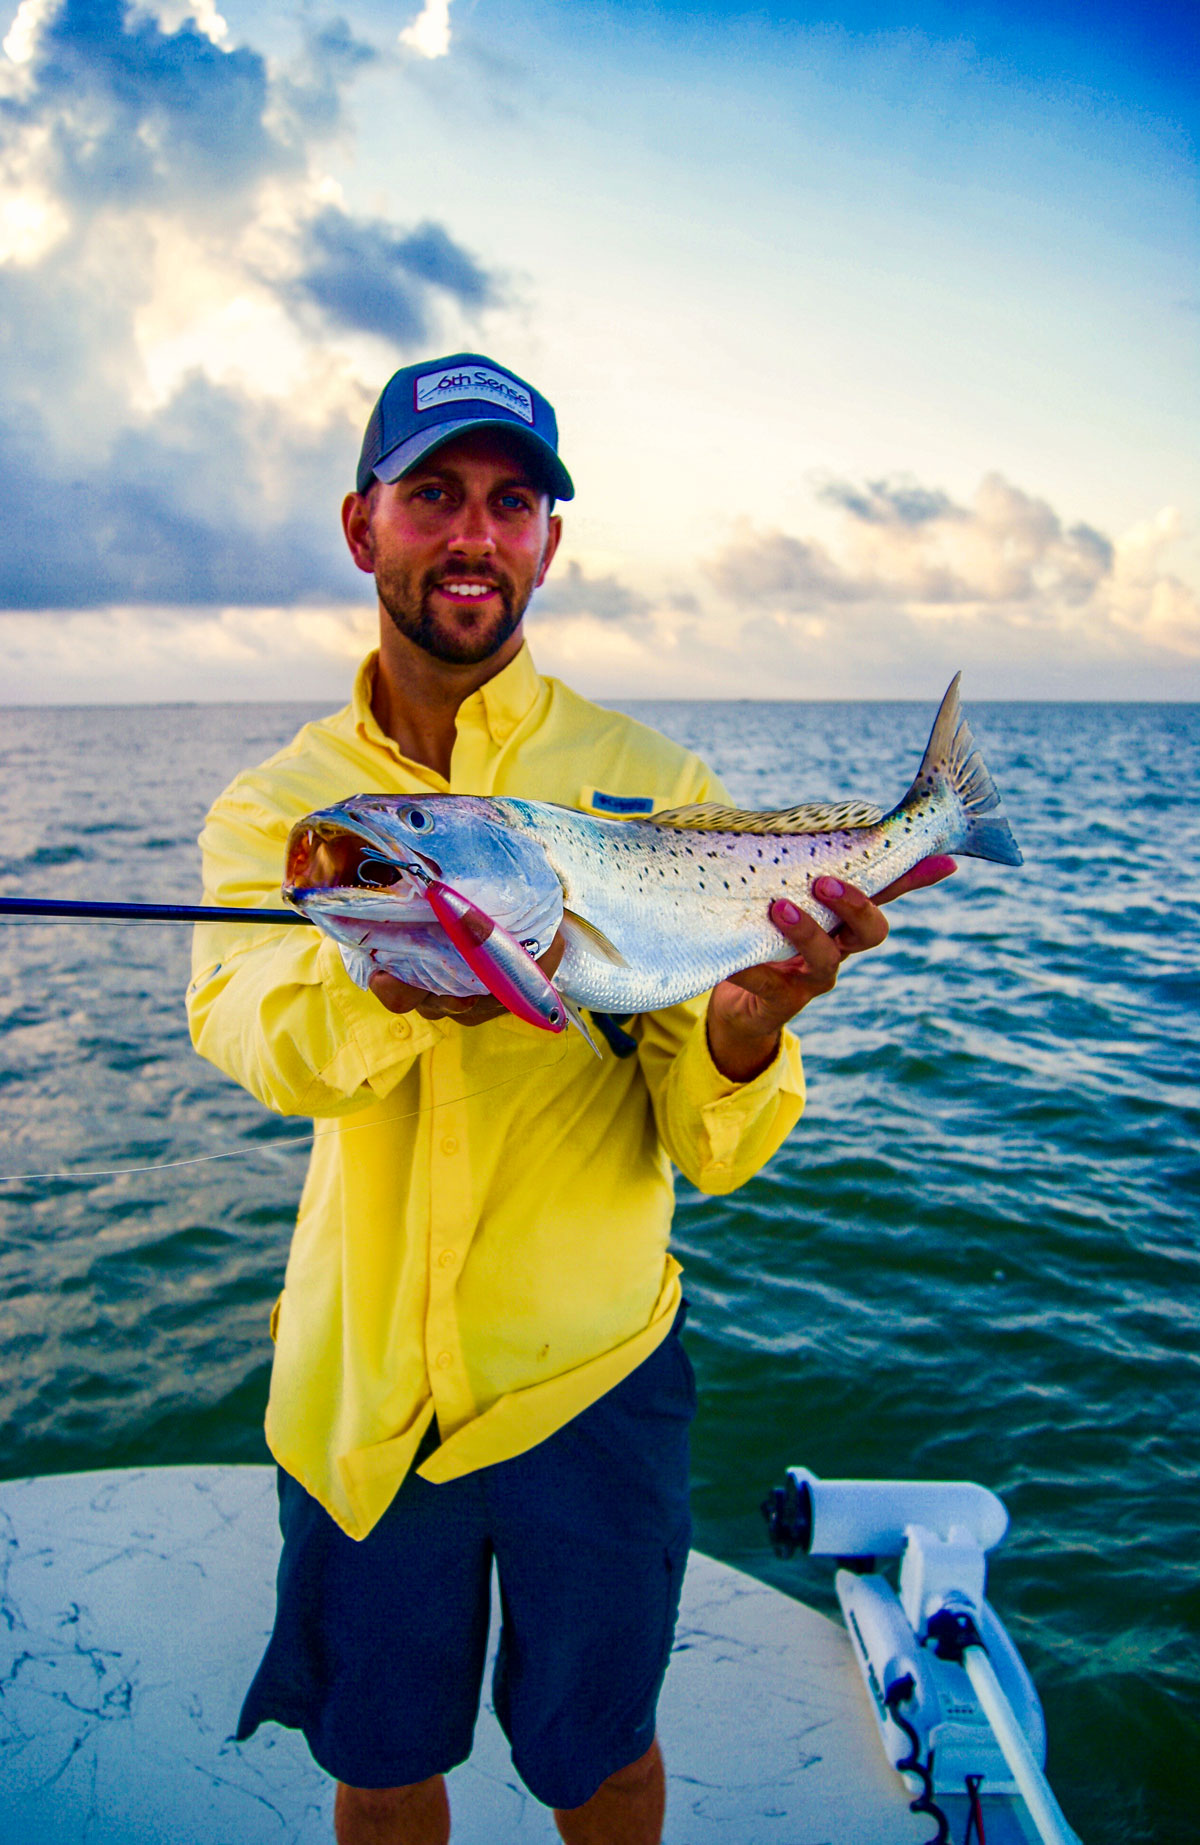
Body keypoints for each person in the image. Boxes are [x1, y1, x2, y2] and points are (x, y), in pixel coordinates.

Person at [187, 351, 953, 1845]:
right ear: (365, 527)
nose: (473, 533)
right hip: (363, 1397)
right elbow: (246, 1029)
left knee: (598, 1757)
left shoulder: (648, 775)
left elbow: (704, 1137)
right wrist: (381, 982)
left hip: (593, 1384)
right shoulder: (289, 812)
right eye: (434, 496)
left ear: (548, 541)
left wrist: (740, 1023)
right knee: (383, 1754)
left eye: (510, 502)